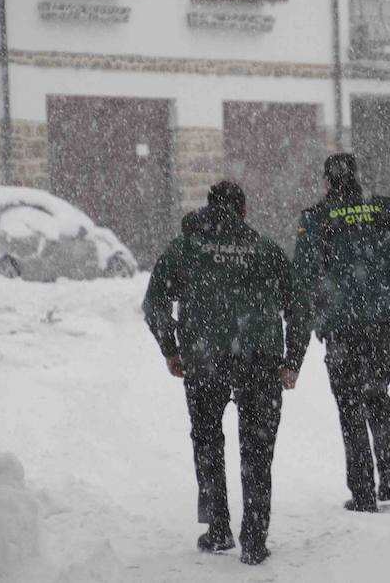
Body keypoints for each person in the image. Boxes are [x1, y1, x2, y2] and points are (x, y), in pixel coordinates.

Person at [143, 181, 310, 565]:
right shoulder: (266, 250)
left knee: (206, 441)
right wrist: (292, 361)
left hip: (204, 360)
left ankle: (218, 528)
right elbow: (300, 306)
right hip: (259, 360)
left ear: (209, 209)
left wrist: (171, 349)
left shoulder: (185, 249)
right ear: (244, 212)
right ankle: (254, 538)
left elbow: (155, 304)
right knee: (257, 449)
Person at [293, 154, 390, 512]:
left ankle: (363, 490)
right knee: (377, 394)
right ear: (356, 176)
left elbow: (302, 272)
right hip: (383, 320)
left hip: (341, 325)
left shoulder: (317, 217)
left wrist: (320, 301)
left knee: (349, 403)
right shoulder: (385, 209)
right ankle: (389, 473)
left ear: (327, 182)